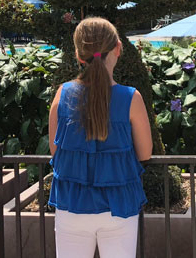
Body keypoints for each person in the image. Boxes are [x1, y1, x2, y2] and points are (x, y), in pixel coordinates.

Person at [48, 17, 153, 258]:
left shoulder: (62, 94)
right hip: (118, 205)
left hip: (72, 204)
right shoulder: (132, 98)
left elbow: (56, 151)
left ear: (78, 54)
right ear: (118, 48)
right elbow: (145, 153)